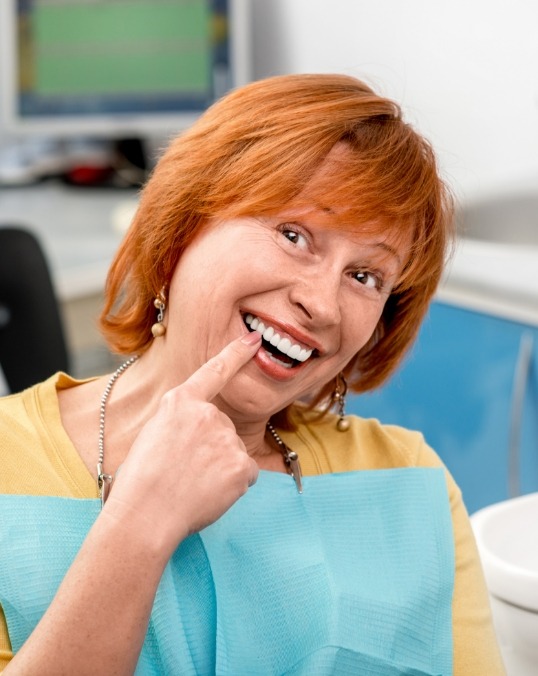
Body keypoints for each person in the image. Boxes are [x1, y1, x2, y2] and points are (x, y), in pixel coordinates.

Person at [0, 73, 504, 675]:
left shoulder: (411, 481)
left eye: (366, 277)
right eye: (294, 235)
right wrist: (140, 523)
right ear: (181, 232)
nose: (323, 304)